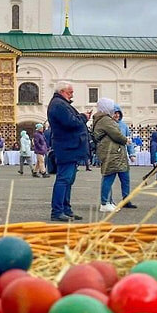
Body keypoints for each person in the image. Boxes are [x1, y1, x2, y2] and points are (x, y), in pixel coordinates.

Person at [47, 81, 88, 222]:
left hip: (70, 147)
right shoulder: (59, 105)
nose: (72, 95)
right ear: (62, 91)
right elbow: (71, 122)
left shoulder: (61, 104)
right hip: (67, 148)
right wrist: (83, 117)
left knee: (68, 180)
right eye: (70, 92)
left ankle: (66, 209)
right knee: (64, 179)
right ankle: (57, 211)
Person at [93, 98, 132, 213]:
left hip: (110, 151)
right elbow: (116, 134)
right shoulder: (106, 120)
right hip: (111, 152)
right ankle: (105, 203)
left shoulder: (102, 119)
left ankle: (108, 202)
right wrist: (126, 140)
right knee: (108, 177)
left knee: (109, 176)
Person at [111, 107, 135, 206]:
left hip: (122, 155)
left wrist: (132, 154)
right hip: (112, 155)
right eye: (114, 113)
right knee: (109, 179)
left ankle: (126, 199)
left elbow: (129, 141)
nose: (117, 115)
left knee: (125, 179)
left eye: (118, 113)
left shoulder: (124, 126)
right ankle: (108, 200)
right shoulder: (109, 125)